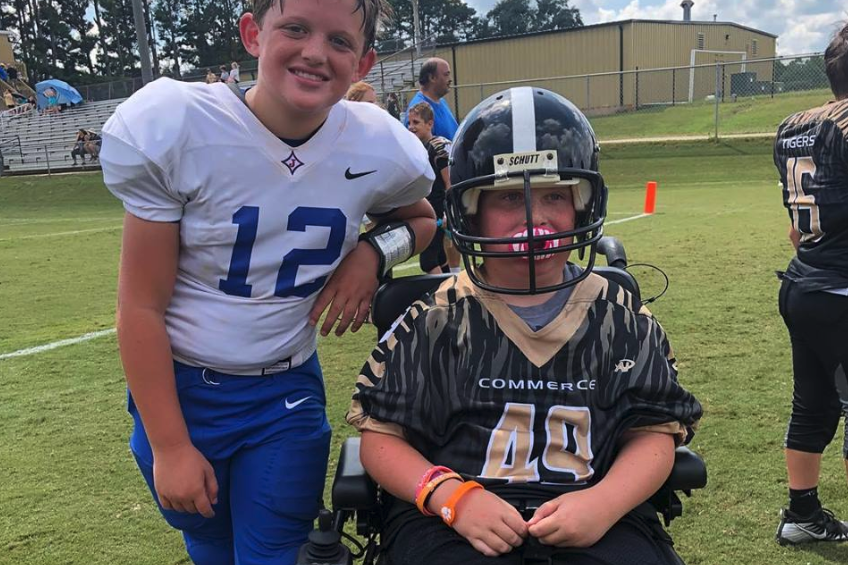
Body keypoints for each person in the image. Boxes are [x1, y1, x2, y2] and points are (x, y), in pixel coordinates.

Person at [98, 0, 436, 563]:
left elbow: (422, 220)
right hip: (182, 393)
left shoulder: (375, 142)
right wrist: (171, 445)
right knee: (208, 544)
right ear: (253, 34)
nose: (314, 52)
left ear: (364, 62)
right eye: (295, 29)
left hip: (285, 390)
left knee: (276, 552)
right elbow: (140, 308)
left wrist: (372, 255)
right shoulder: (184, 126)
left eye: (339, 41)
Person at [347, 87, 702, 565]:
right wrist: (451, 496)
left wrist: (604, 502)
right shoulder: (434, 320)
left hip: (595, 510)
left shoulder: (621, 317)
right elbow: (381, 439)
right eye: (509, 196)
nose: (535, 216)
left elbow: (654, 433)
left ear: (583, 204)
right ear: (470, 210)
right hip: (453, 520)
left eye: (555, 194)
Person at [773, 22, 848, 545]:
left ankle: (802, 515)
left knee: (815, 401)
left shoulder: (796, 124)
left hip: (805, 284)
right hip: (840, 289)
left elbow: (797, 230)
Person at [407, 101, 450, 273]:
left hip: (437, 209)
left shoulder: (437, 147)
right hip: (428, 207)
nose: (411, 127)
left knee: (428, 260)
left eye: (416, 122)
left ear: (430, 124)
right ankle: (450, 289)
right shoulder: (417, 147)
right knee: (439, 256)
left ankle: (442, 298)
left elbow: (449, 182)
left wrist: (449, 211)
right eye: (410, 123)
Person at [403, 57, 458, 141]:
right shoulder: (418, 109)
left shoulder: (441, 101)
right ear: (432, 77)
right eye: (446, 75)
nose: (450, 79)